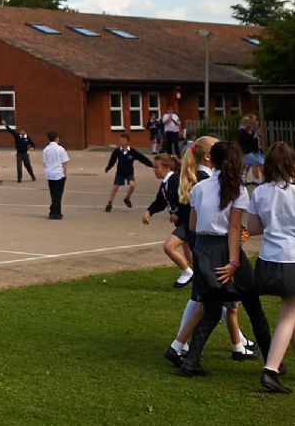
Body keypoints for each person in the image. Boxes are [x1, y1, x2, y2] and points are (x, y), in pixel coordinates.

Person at [175, 142, 272, 377]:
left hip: (204, 249)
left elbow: (192, 226)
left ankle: (191, 360)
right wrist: (233, 262)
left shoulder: (199, 188)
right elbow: (234, 228)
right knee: (253, 306)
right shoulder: (238, 189)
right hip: (226, 249)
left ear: (212, 161)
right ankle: (272, 360)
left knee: (211, 307)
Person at [247, 144, 295, 393]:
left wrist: (275, 222)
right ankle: (270, 370)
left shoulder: (259, 192)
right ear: (292, 165)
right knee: (288, 317)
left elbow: (254, 227)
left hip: (269, 258)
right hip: (294, 259)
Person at [141, 153, 192, 285]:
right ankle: (205, 279)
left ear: (167, 167)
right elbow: (160, 202)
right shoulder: (165, 183)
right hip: (182, 222)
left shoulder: (175, 181)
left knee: (169, 247)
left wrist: (177, 213)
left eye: (157, 167)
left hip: (187, 222)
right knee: (191, 257)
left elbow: (187, 200)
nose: (154, 170)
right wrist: (149, 211)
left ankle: (187, 272)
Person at [104, 133, 145, 211]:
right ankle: (109, 203)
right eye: (120, 141)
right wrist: (108, 168)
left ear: (128, 142)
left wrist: (151, 165)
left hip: (129, 172)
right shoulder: (117, 151)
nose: (122, 142)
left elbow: (142, 159)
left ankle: (127, 198)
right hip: (120, 172)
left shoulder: (132, 152)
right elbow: (112, 161)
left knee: (132, 185)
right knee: (115, 188)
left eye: (123, 141)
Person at [42, 131, 70, 220]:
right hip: (58, 173)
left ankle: (58, 212)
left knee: (53, 193)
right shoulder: (60, 149)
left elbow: (45, 162)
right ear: (56, 138)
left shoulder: (46, 149)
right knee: (58, 194)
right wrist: (65, 174)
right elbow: (64, 163)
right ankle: (53, 211)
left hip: (49, 173)